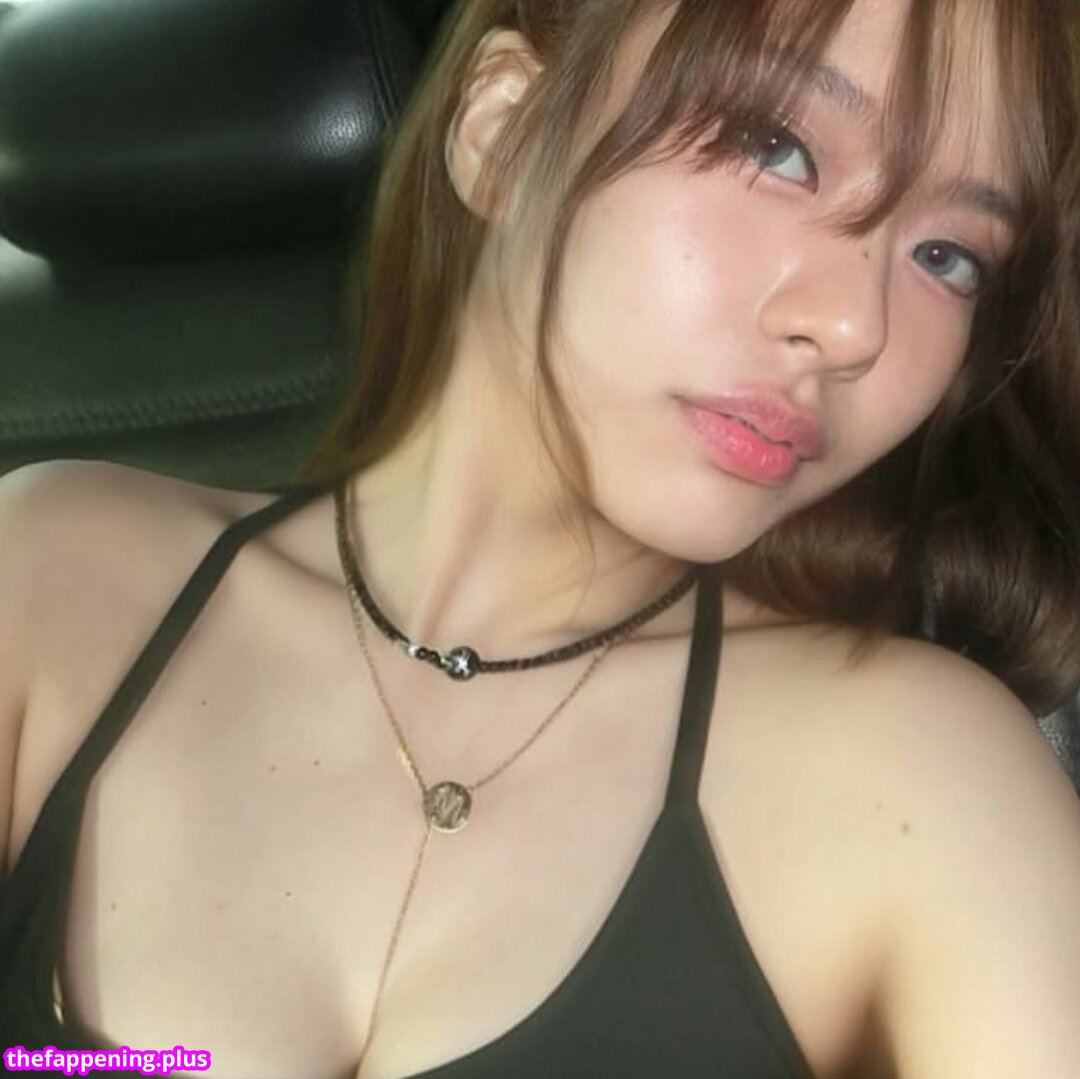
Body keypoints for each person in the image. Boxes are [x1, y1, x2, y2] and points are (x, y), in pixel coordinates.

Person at [1, 0, 1079, 1075]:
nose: (855, 328)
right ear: (503, 129)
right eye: (778, 147)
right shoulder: (49, 580)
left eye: (949, 256)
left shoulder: (924, 779)